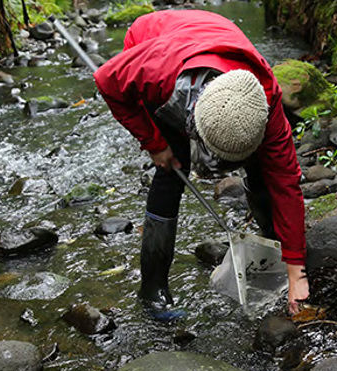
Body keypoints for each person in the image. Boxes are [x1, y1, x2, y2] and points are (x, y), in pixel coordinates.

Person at [93, 9, 308, 314]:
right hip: (160, 42)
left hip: (216, 40)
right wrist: (154, 144)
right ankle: (152, 291)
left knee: (264, 169)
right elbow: (105, 81)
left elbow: (287, 182)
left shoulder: (266, 102)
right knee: (171, 169)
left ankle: (271, 249)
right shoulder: (157, 74)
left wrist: (296, 269)